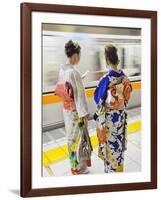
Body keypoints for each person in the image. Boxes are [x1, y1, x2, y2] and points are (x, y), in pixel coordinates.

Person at [94, 44, 132, 173]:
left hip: (110, 121)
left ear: (107, 60)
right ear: (118, 59)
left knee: (110, 147)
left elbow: (98, 99)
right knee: (119, 145)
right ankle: (119, 169)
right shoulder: (125, 77)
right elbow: (127, 97)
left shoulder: (106, 79)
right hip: (121, 117)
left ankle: (111, 173)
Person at [57, 40, 92, 175]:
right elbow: (80, 97)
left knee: (70, 139)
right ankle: (80, 168)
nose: (80, 57)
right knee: (80, 141)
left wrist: (79, 78)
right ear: (75, 55)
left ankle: (73, 166)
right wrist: (85, 116)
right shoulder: (74, 72)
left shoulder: (63, 70)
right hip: (76, 113)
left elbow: (67, 88)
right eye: (80, 55)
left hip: (67, 111)